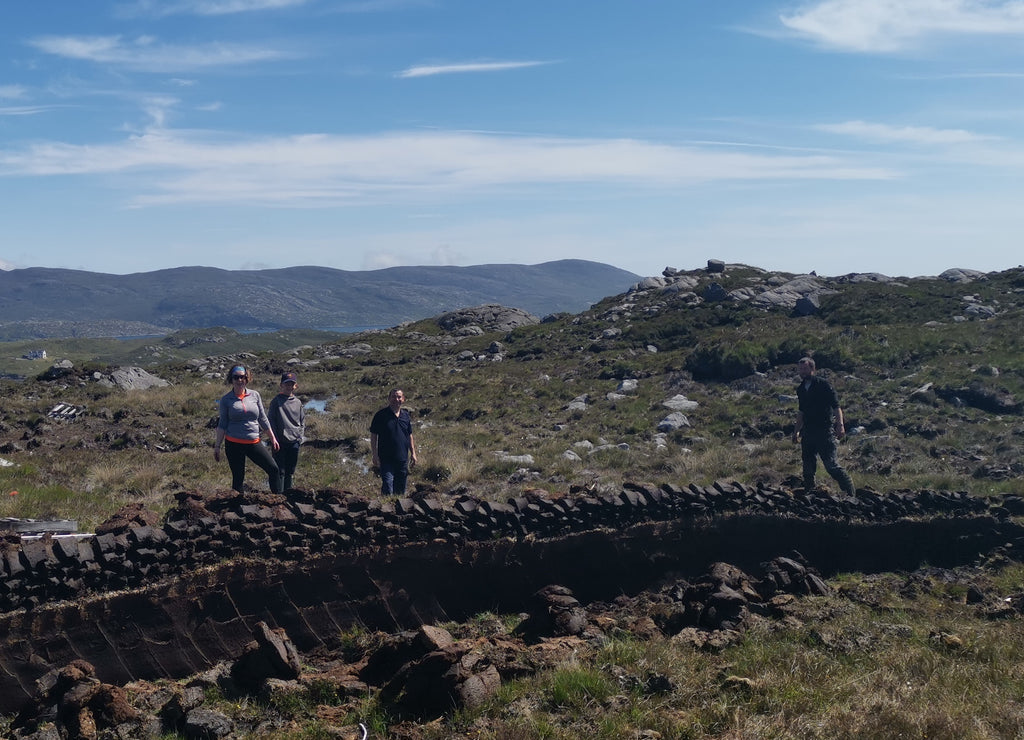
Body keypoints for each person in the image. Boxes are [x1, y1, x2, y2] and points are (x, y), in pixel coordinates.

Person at [792, 356, 855, 495]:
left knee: (831, 465)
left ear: (812, 369)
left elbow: (836, 406)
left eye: (805, 368)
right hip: (808, 431)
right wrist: (796, 431)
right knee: (808, 466)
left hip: (824, 430)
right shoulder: (801, 389)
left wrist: (840, 425)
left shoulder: (823, 384)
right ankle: (810, 493)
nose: (802, 371)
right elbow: (801, 411)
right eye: (800, 369)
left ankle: (851, 493)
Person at [214, 365, 281, 494]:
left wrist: (272, 438)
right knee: (238, 478)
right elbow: (222, 424)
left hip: (253, 442)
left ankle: (278, 502)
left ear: (247, 378)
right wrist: (217, 446)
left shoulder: (255, 395)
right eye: (236, 377)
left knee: (273, 469)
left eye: (243, 377)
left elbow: (262, 418)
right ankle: (237, 508)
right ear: (231, 379)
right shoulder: (226, 400)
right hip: (233, 444)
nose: (240, 380)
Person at [370, 388, 417, 495]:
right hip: (386, 458)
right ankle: (385, 510)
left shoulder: (405, 415)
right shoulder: (381, 415)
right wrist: (374, 455)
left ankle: (398, 510)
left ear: (403, 399)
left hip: (402, 458)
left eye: (399, 397)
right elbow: (373, 435)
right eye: (393, 397)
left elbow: (409, 435)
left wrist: (413, 453)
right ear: (389, 399)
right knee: (387, 486)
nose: (396, 399)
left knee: (400, 490)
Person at [268, 371, 305, 492]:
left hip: (294, 442)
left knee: (290, 471)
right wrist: (274, 439)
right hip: (280, 442)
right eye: (286, 384)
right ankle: (279, 497)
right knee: (280, 471)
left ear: (295, 386)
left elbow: (302, 421)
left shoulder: (298, 402)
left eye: (291, 384)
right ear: (281, 385)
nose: (289, 387)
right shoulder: (276, 401)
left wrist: (300, 438)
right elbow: (271, 421)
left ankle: (288, 495)